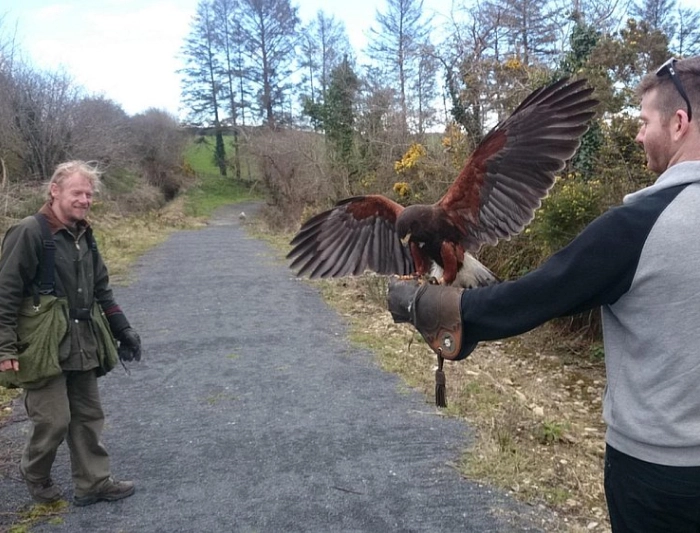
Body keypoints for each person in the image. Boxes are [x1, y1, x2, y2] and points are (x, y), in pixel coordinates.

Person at [388, 56, 700, 532]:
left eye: (642, 122)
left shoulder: (640, 228)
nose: (637, 135)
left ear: (679, 123)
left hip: (664, 476)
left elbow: (538, 297)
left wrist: (441, 311)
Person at [0, 161, 142, 506]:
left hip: (82, 340)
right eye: (77, 192)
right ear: (55, 191)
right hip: (42, 342)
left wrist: (123, 329)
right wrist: (5, 348)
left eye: (88, 194)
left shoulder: (84, 236)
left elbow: (102, 290)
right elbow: (5, 292)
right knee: (54, 420)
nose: (84, 199)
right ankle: (34, 473)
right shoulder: (29, 231)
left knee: (88, 416)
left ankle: (93, 482)